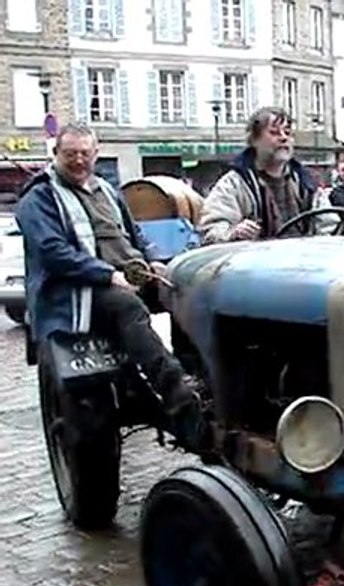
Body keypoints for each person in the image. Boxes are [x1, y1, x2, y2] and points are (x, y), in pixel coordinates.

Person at [15, 123, 204, 449]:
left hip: (125, 276)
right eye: (70, 154)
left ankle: (204, 376)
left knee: (187, 290)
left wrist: (154, 260)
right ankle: (175, 390)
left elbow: (134, 234)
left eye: (84, 154)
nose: (78, 161)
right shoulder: (39, 198)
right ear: (56, 153)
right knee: (126, 305)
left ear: (95, 154)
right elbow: (53, 252)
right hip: (75, 290)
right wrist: (107, 274)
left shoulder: (106, 189)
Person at [198, 107, 336, 243]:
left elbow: (329, 225)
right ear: (254, 140)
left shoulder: (306, 183)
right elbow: (211, 229)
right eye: (274, 132)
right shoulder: (235, 184)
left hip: (302, 261)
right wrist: (233, 233)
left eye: (287, 133)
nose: (283, 138)